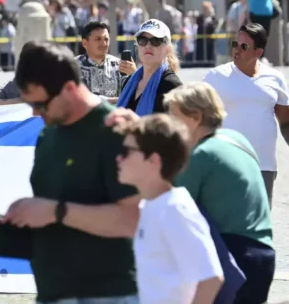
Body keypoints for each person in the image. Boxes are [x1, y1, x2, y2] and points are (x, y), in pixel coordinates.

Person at [107, 82, 276, 304]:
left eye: (174, 116)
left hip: (235, 256)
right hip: (263, 253)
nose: (170, 124)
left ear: (196, 117)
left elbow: (163, 195)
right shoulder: (236, 138)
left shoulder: (201, 156)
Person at [0, 42, 140, 304]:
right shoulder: (48, 134)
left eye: (40, 104)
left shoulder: (114, 130)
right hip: (54, 291)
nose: (34, 112)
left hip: (108, 292)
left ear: (69, 88)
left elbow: (131, 219)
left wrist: (56, 211)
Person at [115, 114, 224, 304]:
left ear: (153, 160)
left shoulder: (175, 209)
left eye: (126, 151)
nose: (118, 158)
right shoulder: (149, 205)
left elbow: (211, 278)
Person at [204, 23, 289, 206]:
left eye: (244, 47)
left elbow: (285, 122)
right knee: (228, 224)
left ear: (258, 52)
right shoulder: (216, 77)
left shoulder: (275, 78)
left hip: (264, 166)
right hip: (227, 165)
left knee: (259, 226)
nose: (236, 50)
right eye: (235, 44)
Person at [118, 19, 183, 115]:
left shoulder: (172, 85)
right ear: (137, 46)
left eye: (156, 40)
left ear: (167, 49)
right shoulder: (129, 82)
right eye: (142, 40)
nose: (148, 45)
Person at [76, 21, 135, 102]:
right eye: (98, 39)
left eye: (106, 39)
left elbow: (133, 96)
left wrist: (135, 75)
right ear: (85, 43)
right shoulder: (74, 67)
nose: (103, 43)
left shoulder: (119, 65)